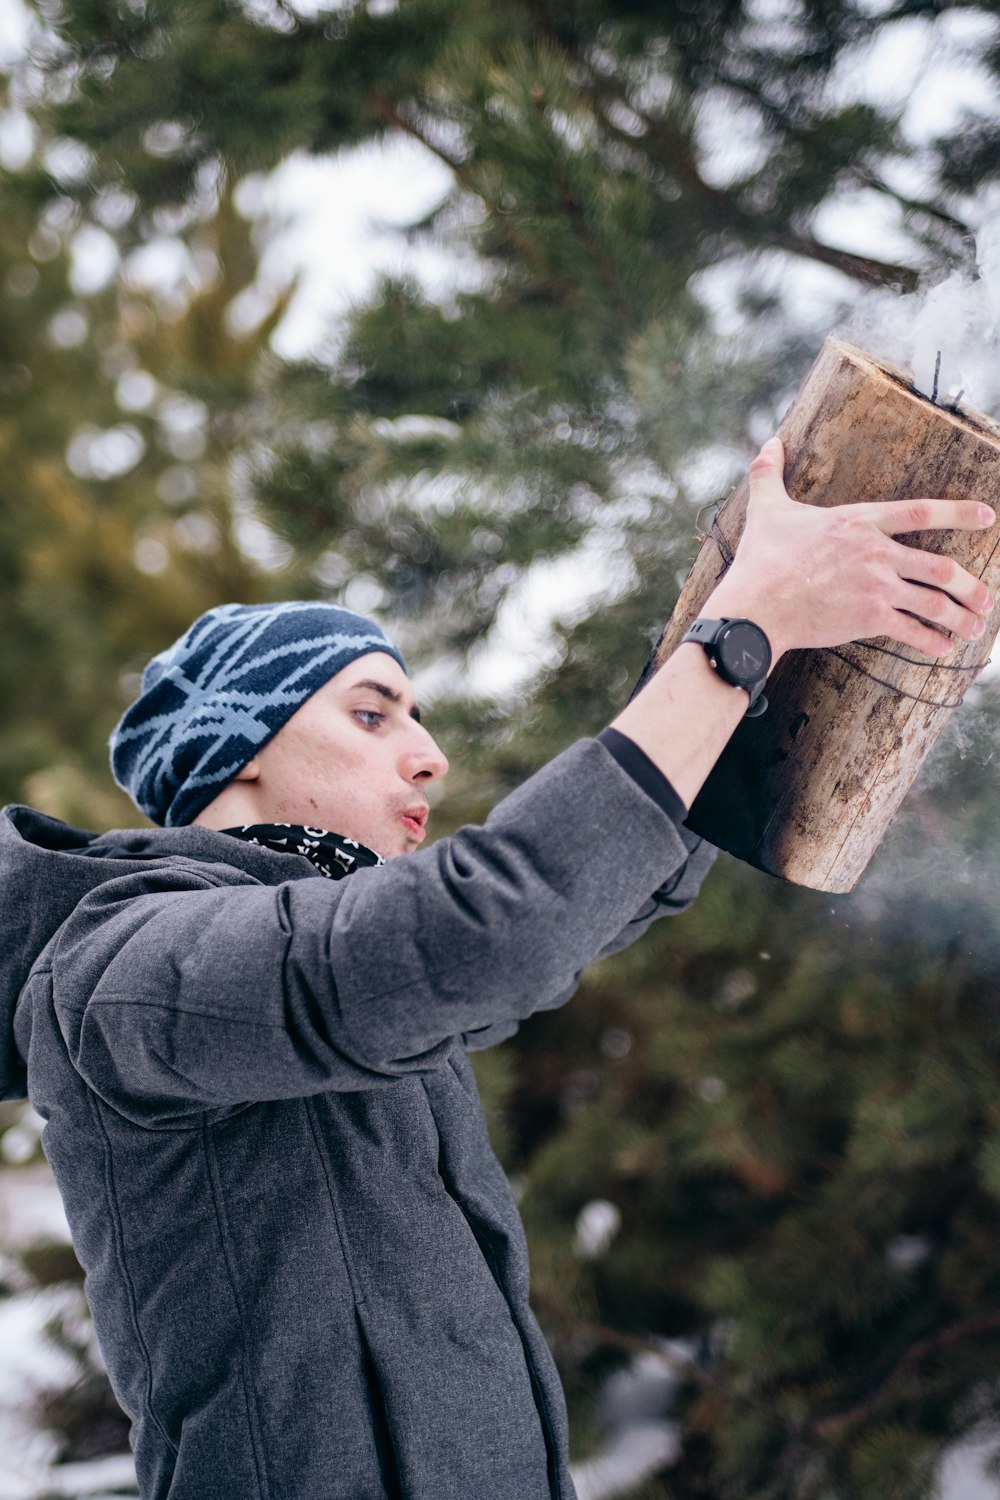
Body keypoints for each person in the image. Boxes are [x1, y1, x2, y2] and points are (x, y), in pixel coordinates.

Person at [0, 439, 994, 1500]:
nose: (428, 754)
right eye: (372, 713)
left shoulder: (320, 945)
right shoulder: (125, 970)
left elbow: (574, 901)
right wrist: (732, 639)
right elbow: (479, 931)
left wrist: (767, 656)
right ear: (237, 752)